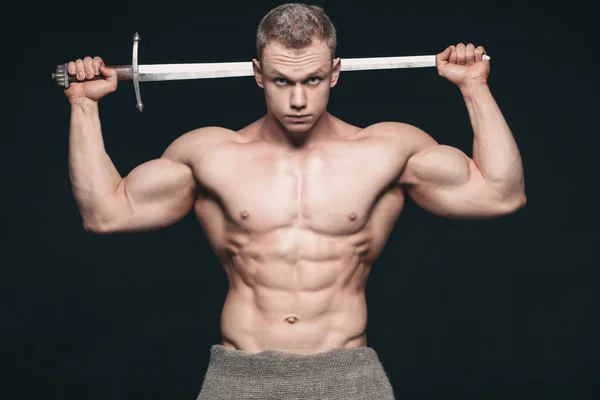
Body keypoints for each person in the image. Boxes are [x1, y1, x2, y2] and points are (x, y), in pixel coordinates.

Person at [63, 3, 526, 399]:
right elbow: (105, 213)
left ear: (336, 73)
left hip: (347, 377)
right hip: (240, 376)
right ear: (258, 74)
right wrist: (84, 105)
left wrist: (474, 88)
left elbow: (500, 194)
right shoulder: (211, 155)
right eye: (283, 81)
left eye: (313, 79)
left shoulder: (387, 151)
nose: (299, 99)